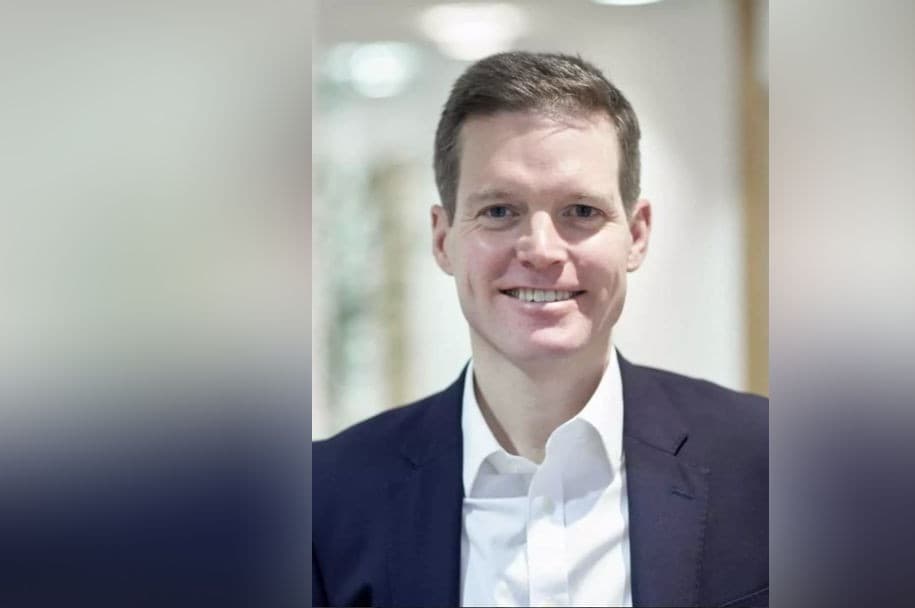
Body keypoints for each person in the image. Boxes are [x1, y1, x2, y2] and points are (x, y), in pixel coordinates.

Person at [312, 51, 767, 608]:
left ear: (637, 234)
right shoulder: (324, 500)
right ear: (442, 238)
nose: (542, 250)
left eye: (581, 211)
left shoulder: (772, 465)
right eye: (500, 211)